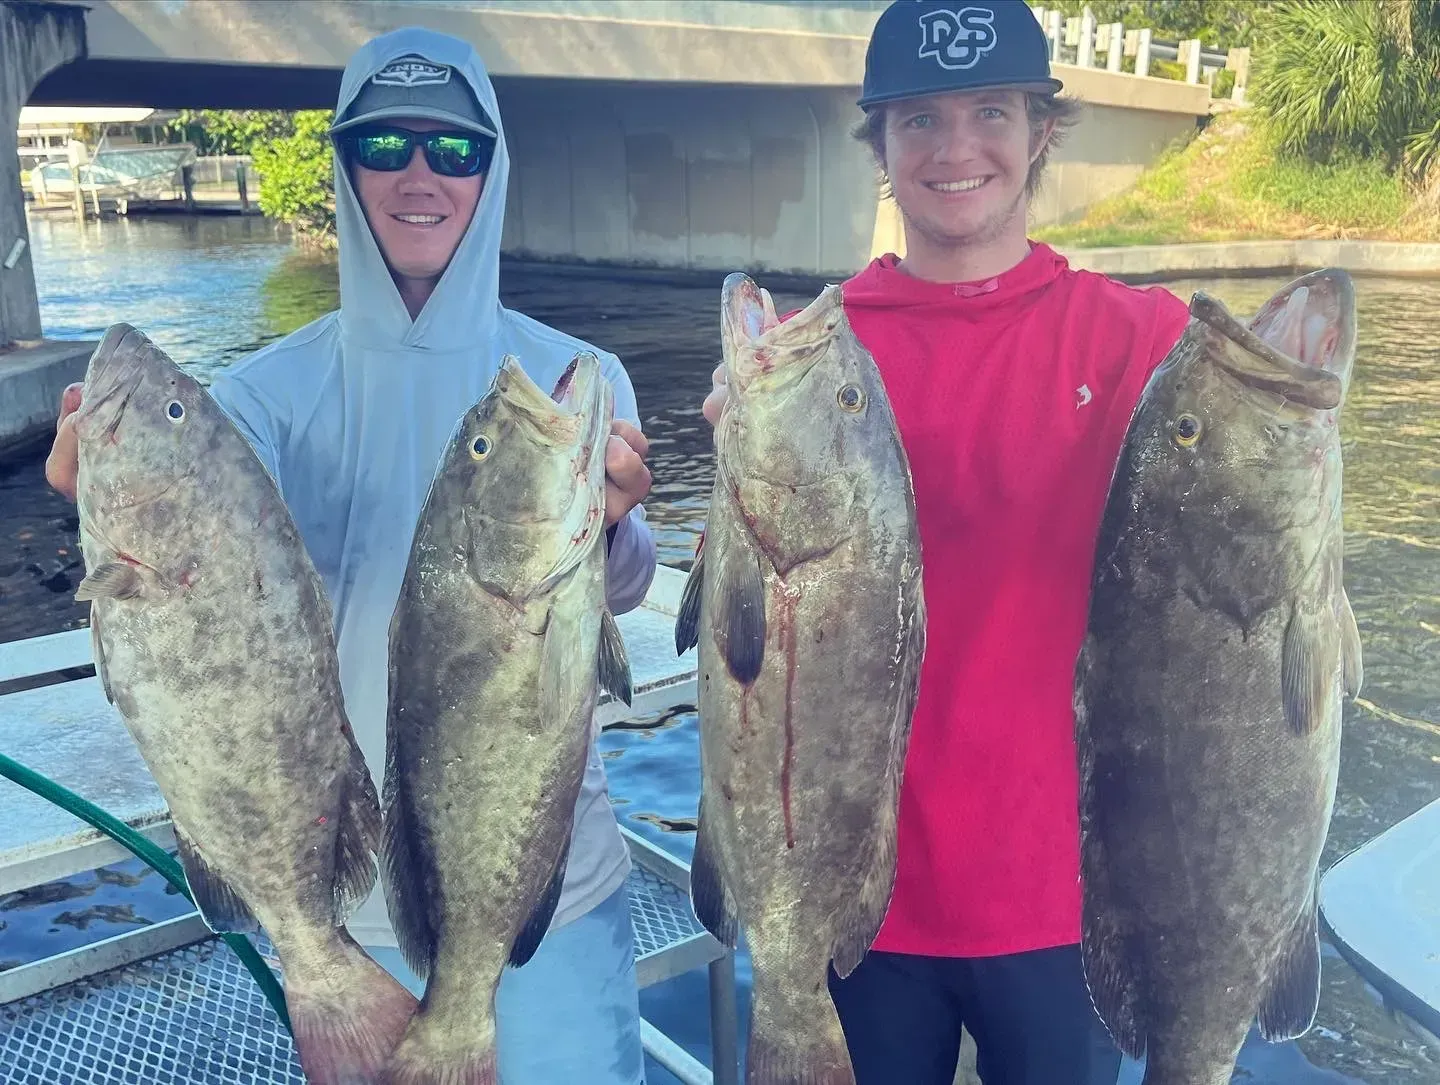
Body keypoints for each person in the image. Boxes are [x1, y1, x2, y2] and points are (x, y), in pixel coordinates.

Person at [47, 26, 655, 1085]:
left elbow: (626, 590)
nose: (421, 177)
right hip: (342, 895)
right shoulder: (255, 400)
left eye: (455, 151)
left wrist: (614, 524)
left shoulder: (579, 377)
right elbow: (189, 634)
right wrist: (104, 509)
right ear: (344, 162)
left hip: (542, 885)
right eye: (387, 146)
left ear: (493, 168)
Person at [702, 2, 1191, 1083]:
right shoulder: (809, 362)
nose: (957, 147)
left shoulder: (1144, 339)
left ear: (1042, 132)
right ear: (877, 145)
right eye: (919, 119)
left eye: (991, 112)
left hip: (1063, 891)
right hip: (843, 891)